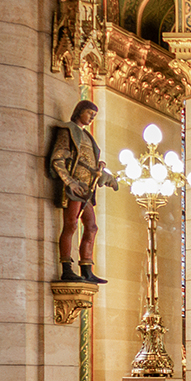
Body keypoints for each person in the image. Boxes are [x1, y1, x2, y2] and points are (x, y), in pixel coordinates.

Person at [47, 100, 119, 284]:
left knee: (92, 227)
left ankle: (86, 268)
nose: (91, 118)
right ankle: (66, 269)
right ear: (78, 111)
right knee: (71, 225)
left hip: (87, 188)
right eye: (89, 113)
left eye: (94, 115)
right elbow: (58, 159)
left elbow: (89, 163)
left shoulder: (87, 136)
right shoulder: (68, 130)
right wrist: (69, 182)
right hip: (74, 186)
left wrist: (104, 173)